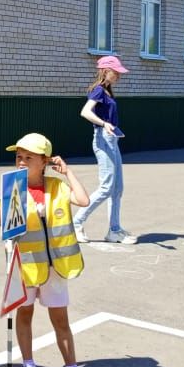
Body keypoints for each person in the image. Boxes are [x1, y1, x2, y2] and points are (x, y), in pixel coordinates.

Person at [8, 133, 94, 367]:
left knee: (60, 320)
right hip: (27, 266)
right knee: (24, 315)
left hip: (56, 268)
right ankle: (29, 366)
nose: (21, 162)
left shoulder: (57, 186)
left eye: (28, 158)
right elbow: (4, 223)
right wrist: (11, 196)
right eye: (19, 157)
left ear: (44, 161)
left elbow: (83, 200)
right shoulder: (13, 186)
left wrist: (67, 173)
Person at [73, 55, 135, 244]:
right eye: (115, 72)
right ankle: (76, 222)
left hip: (111, 139)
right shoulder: (98, 91)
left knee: (117, 188)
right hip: (103, 139)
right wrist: (104, 124)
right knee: (107, 187)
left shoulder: (107, 92)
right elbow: (85, 112)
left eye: (118, 72)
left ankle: (114, 230)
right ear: (104, 71)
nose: (118, 75)